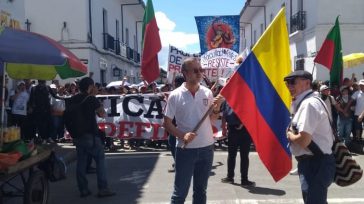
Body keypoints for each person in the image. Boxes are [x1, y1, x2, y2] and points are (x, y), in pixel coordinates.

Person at [163, 57, 222, 203]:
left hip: (207, 148)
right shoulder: (175, 95)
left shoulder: (207, 93)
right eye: (195, 70)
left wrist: (217, 108)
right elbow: (167, 123)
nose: (199, 73)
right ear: (185, 73)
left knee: (201, 191)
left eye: (201, 70)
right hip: (186, 150)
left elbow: (212, 120)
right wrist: (183, 135)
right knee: (180, 193)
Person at [284, 70, 335, 204]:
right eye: (287, 83)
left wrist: (289, 135)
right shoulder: (307, 101)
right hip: (314, 162)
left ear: (307, 83)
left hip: (315, 163)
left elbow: (304, 140)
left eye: (293, 82)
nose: (289, 86)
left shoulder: (308, 104)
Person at [67, 77, 115, 198]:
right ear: (89, 87)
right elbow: (102, 113)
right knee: (100, 160)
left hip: (77, 135)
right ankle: (103, 188)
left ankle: (83, 189)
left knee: (81, 162)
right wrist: (94, 97)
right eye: (93, 86)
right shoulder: (91, 99)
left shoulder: (72, 99)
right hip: (90, 135)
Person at [220, 100, 255, 187]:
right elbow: (224, 114)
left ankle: (244, 179)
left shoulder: (245, 99)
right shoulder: (226, 100)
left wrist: (242, 123)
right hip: (232, 129)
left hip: (245, 130)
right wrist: (224, 127)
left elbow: (250, 113)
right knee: (231, 154)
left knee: (244, 155)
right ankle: (230, 177)